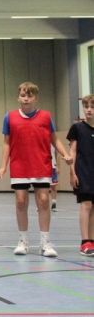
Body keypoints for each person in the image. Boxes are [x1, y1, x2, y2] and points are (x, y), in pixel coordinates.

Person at [0, 81, 72, 257]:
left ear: (35, 98)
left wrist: (65, 154)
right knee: (21, 201)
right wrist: (3, 166)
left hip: (41, 164)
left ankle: (45, 243)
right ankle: (23, 241)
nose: (26, 98)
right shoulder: (10, 117)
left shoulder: (46, 116)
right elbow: (6, 143)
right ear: (18, 97)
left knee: (44, 200)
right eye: (23, 95)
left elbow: (54, 139)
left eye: (29, 95)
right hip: (19, 165)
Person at [67, 95, 94, 256]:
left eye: (92, 107)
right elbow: (73, 151)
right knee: (86, 205)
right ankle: (85, 242)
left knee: (93, 207)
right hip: (83, 172)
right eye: (86, 106)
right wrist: (72, 172)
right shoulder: (77, 128)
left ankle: (92, 240)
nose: (89, 110)